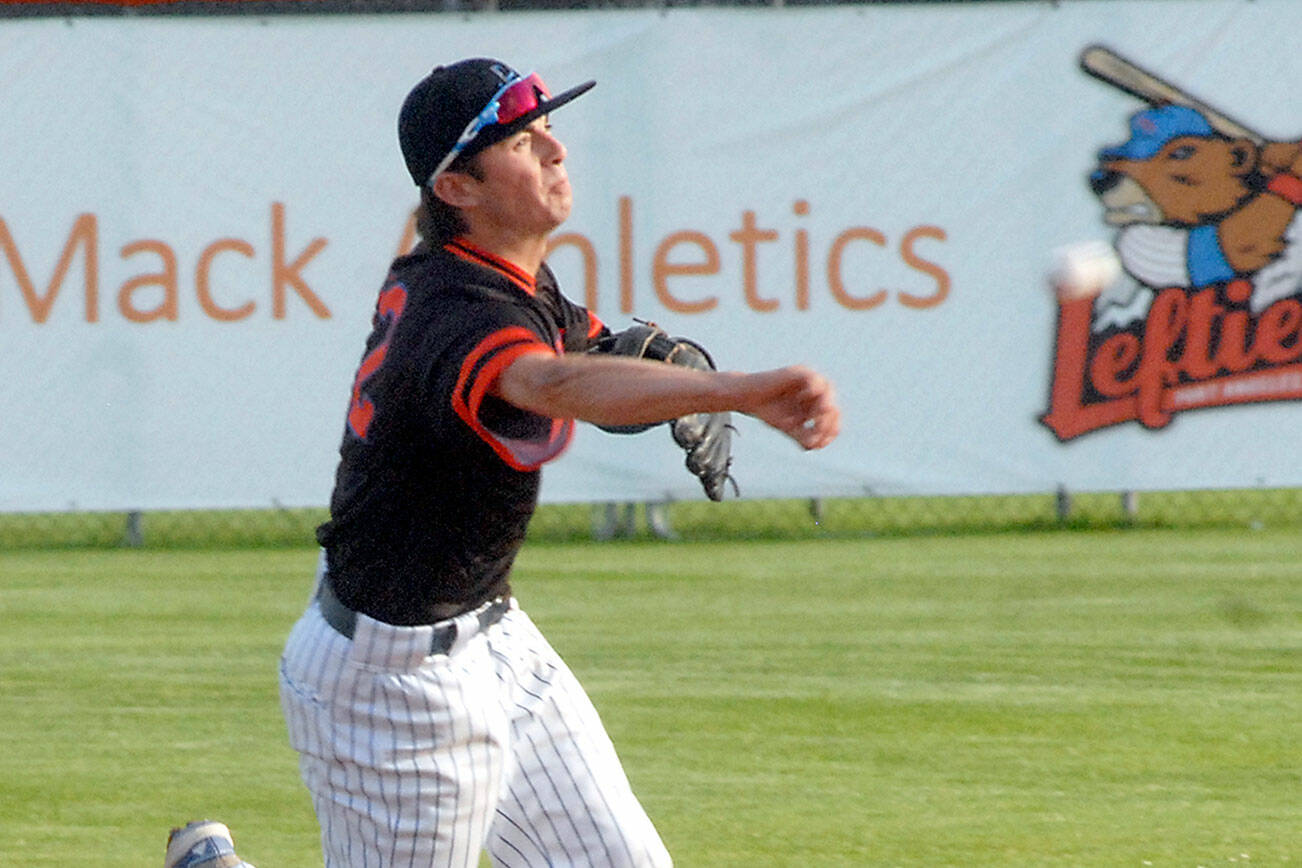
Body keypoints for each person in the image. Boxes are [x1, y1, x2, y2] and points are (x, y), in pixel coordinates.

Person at [277, 57, 840, 868]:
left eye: (548, 129)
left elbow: (583, 344)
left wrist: (651, 358)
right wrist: (738, 389)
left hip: (497, 641)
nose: (554, 151)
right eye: (518, 138)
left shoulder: (499, 279)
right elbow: (553, 380)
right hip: (394, 687)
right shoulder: (456, 312)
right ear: (458, 188)